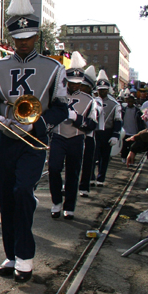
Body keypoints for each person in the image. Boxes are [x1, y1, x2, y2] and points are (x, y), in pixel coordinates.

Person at [0, 0, 68, 283]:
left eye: (28, 38)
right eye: (18, 39)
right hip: (7, 139)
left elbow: (61, 108)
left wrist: (37, 125)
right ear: (11, 38)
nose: (23, 43)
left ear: (37, 36)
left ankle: (25, 256)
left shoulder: (54, 68)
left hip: (34, 142)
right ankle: (12, 254)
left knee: (22, 192)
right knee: (6, 196)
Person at [48, 53, 98, 221]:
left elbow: (92, 124)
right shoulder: (57, 97)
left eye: (77, 83)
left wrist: (77, 118)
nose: (74, 86)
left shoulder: (89, 100)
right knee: (54, 168)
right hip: (58, 136)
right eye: (71, 82)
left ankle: (69, 206)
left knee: (73, 172)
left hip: (76, 138)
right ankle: (56, 201)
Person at [93, 69, 122, 187]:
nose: (102, 92)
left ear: (108, 90)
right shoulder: (93, 101)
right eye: (100, 90)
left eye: (104, 90)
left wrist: (115, 135)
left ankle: (101, 178)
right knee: (92, 156)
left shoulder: (115, 104)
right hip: (94, 132)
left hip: (107, 132)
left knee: (104, 157)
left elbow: (118, 120)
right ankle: (91, 177)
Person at [77, 65, 102, 197]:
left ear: (90, 88)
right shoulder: (75, 97)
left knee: (87, 162)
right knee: (71, 163)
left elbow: (94, 118)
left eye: (84, 86)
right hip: (74, 135)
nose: (81, 88)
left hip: (88, 136)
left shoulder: (96, 101)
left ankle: (84, 186)